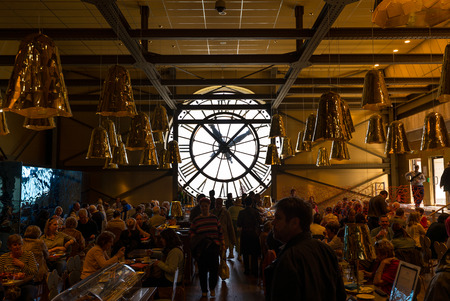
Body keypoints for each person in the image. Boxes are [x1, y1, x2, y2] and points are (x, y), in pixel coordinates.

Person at [265, 197, 346, 301]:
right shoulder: (326, 250)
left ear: (294, 223)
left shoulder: (289, 258)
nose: (273, 223)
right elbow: (340, 295)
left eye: (278, 218)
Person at [189, 197, 224, 298]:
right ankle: (208, 289)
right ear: (200, 207)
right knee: (206, 270)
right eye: (203, 206)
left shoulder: (197, 220)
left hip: (206, 248)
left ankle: (207, 289)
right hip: (210, 247)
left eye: (206, 206)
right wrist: (221, 243)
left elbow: (191, 233)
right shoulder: (214, 219)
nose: (204, 208)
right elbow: (220, 232)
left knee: (211, 270)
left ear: (209, 206)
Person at [0, 234, 38, 301]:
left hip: (25, 284)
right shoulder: (3, 258)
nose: (18, 247)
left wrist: (22, 265)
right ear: (9, 247)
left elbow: (34, 272)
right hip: (7, 286)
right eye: (15, 245)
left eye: (20, 244)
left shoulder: (29, 255)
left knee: (29, 295)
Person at [237, 197, 262, 276]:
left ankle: (247, 270)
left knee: (246, 253)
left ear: (244, 203)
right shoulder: (256, 212)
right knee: (254, 254)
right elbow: (260, 222)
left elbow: (239, 224)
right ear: (252, 203)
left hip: (245, 234)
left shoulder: (241, 213)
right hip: (254, 234)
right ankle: (254, 271)